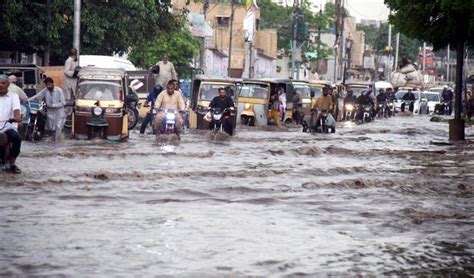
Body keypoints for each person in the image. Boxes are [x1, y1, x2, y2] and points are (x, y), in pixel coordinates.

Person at [0, 75, 22, 174]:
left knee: (16, 138)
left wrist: (17, 118)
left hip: (8, 126)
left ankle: (12, 164)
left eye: (3, 83)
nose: (0, 85)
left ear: (8, 85)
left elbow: (16, 109)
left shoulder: (14, 96)